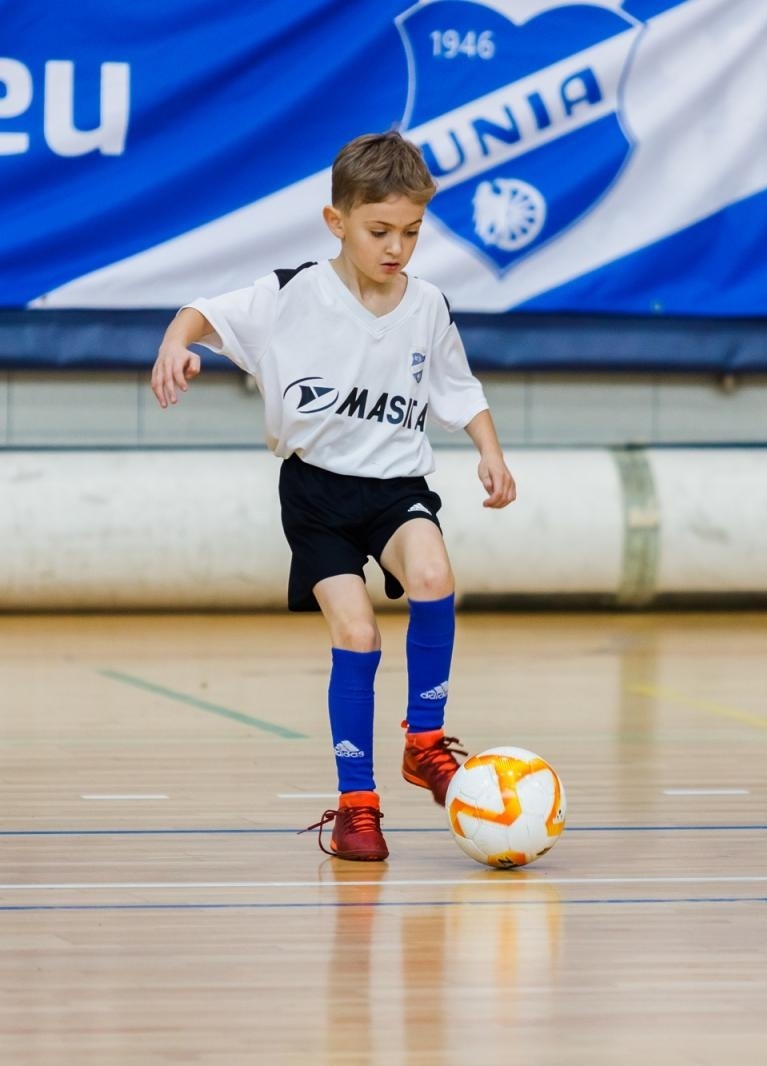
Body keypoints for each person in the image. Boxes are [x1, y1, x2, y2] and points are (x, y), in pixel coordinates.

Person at [150, 131, 516, 862]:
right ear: (336, 222)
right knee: (357, 636)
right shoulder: (289, 296)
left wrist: (489, 449)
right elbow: (200, 312)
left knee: (436, 576)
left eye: (411, 233)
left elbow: (458, 387)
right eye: (380, 231)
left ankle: (424, 744)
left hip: (396, 488)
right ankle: (357, 805)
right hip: (317, 495)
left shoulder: (429, 305)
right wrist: (175, 344)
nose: (396, 248)